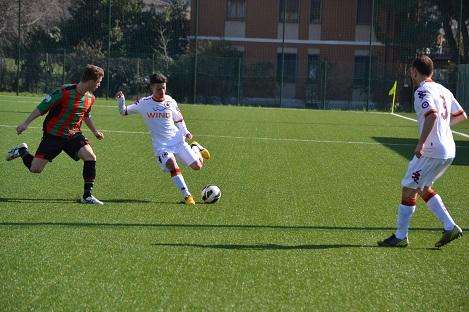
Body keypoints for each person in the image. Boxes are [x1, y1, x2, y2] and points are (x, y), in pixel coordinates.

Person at [378, 55, 467, 248]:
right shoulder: (443, 89)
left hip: (432, 151)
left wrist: (421, 143)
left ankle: (401, 237)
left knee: (409, 188)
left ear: (413, 72)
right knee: (423, 187)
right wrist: (443, 129)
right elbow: (461, 115)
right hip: (448, 150)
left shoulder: (421, 91)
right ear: (432, 72)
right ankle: (450, 226)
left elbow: (432, 115)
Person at [6, 64, 106, 205]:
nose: (99, 84)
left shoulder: (91, 98)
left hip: (73, 135)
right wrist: (25, 123)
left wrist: (95, 131)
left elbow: (86, 115)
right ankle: (22, 151)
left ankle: (87, 196)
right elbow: (42, 107)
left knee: (90, 157)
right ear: (90, 80)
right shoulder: (64, 91)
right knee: (36, 169)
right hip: (53, 135)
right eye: (99, 81)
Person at [115, 73, 210, 205]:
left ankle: (196, 147)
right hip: (162, 146)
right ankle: (187, 196)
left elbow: (178, 118)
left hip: (178, 140)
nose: (162, 91)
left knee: (197, 166)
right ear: (152, 88)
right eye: (158, 89)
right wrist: (121, 100)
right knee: (172, 164)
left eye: (164, 88)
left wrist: (185, 131)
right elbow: (123, 111)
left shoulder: (170, 101)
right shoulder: (144, 103)